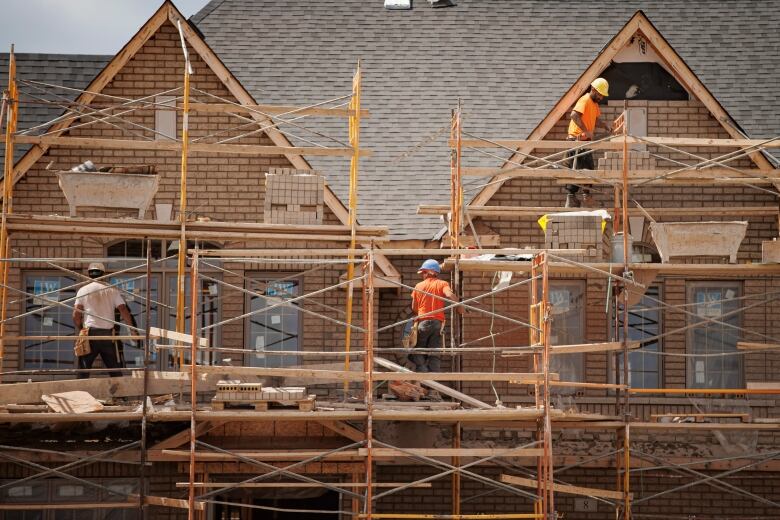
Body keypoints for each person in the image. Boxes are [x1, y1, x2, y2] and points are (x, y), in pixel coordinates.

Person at [73, 262, 134, 379]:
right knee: (113, 368)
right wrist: (131, 328)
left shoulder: (83, 290)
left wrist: (81, 329)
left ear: (89, 274)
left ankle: (79, 394)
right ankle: (121, 395)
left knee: (83, 368)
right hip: (107, 335)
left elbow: (76, 314)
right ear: (103, 274)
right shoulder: (112, 290)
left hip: (90, 334)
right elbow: (123, 309)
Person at [564, 77, 612, 207]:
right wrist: (586, 131)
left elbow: (595, 120)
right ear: (593, 90)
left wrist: (605, 126)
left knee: (589, 168)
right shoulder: (585, 100)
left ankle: (587, 195)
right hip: (576, 140)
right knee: (575, 170)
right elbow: (574, 115)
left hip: (584, 142)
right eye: (600, 94)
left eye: (602, 95)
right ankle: (572, 198)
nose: (601, 97)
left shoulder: (594, 105)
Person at [409, 259, 461, 373]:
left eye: (424, 272)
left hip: (424, 322)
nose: (423, 275)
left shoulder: (418, 286)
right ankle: (433, 383)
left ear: (432, 272)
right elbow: (450, 295)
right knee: (434, 352)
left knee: (418, 350)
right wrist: (460, 307)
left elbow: (414, 307)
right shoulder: (443, 284)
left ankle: (423, 372)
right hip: (438, 324)